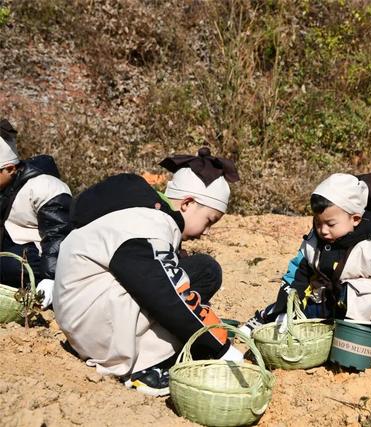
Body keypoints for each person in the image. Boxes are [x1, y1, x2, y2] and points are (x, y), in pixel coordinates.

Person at [53, 147, 242, 396]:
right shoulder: (150, 224)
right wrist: (218, 346)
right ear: (187, 203)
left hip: (85, 321)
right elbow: (165, 293)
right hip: (99, 334)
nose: (206, 231)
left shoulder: (137, 213)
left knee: (198, 271)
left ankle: (152, 352)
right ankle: (145, 367)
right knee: (195, 276)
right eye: (209, 220)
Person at [240, 172, 371, 336]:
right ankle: (266, 317)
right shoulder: (313, 242)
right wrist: (285, 310)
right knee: (291, 311)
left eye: (331, 224)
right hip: (322, 305)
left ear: (355, 219)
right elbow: (295, 277)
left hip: (361, 316)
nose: (323, 230)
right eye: (318, 223)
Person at [0, 119, 72, 308]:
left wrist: (51, 277)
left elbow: (58, 235)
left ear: (9, 169)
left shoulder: (44, 187)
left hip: (36, 267)